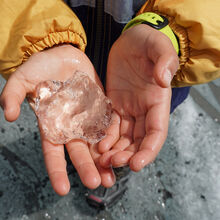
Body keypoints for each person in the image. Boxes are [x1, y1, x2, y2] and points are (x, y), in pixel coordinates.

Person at [0, 0, 219, 204]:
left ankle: (117, 166)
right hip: (64, 25)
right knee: (86, 139)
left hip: (144, 69)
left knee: (132, 129)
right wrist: (37, 35)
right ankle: (81, 154)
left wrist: (170, 31)